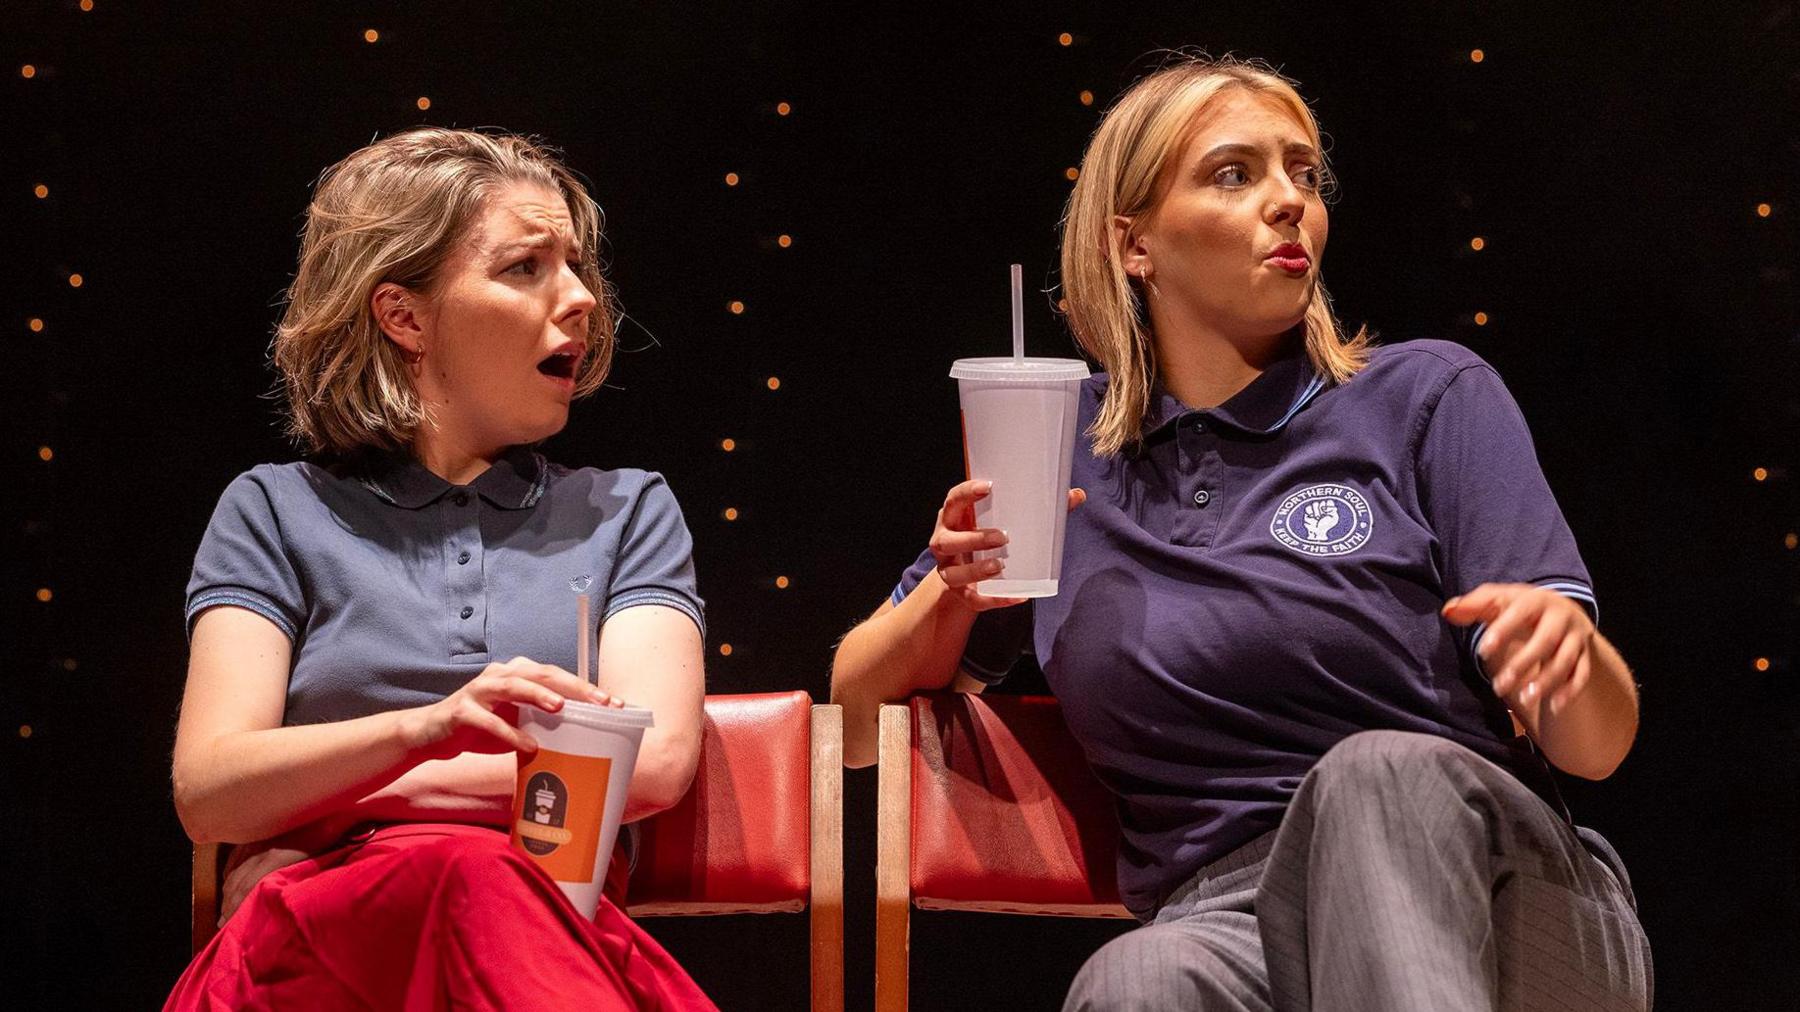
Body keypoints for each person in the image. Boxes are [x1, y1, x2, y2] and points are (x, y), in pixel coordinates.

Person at [831, 56, 1652, 1011]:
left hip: (1490, 888)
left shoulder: (1423, 396)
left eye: (1304, 175)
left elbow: (1596, 748)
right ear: (1134, 245)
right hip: (1232, 923)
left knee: (1370, 778)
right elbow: (855, 723)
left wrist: (1573, 658)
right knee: (1135, 980)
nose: (1288, 202)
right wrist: (956, 588)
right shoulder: (1063, 458)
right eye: (1235, 174)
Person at [166, 127, 714, 1010]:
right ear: (405, 316)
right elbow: (213, 790)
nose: (580, 299)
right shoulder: (273, 510)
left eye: (575, 266)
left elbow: (650, 766)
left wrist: (327, 797)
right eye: (526, 267)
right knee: (464, 870)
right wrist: (429, 729)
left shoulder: (625, 511)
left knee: (480, 879)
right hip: (318, 944)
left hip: (535, 930)